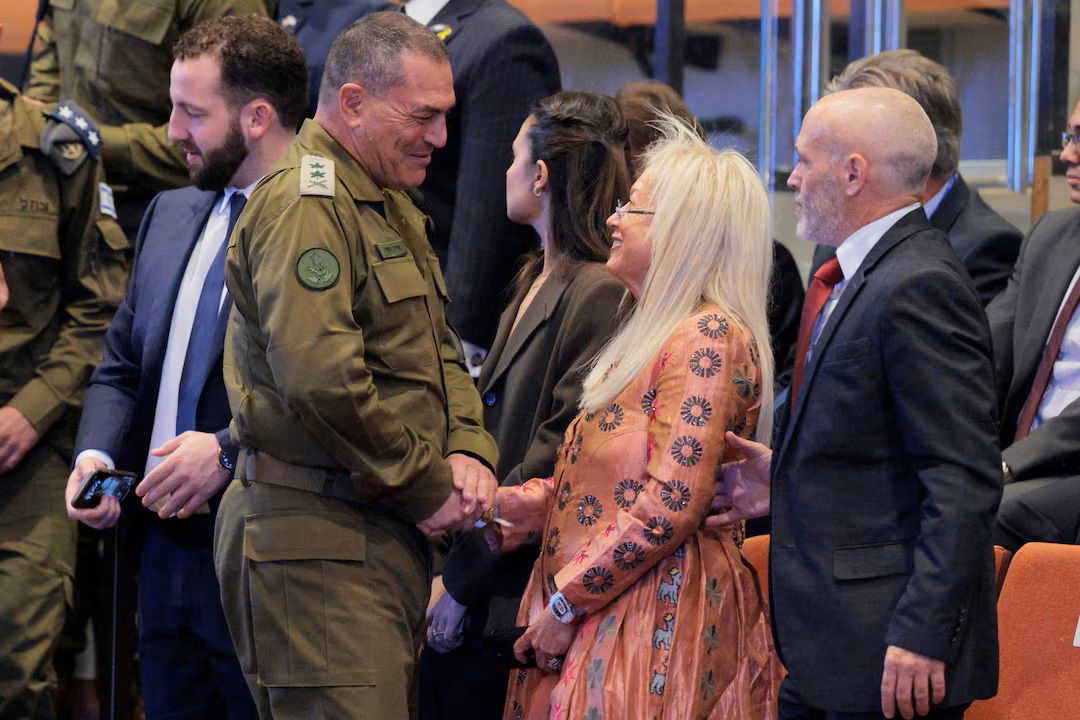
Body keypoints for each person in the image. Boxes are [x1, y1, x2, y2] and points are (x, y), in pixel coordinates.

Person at [213, 12, 499, 719]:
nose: (440, 137)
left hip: (369, 534)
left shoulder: (387, 202)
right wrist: (428, 483)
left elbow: (439, 347)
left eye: (445, 117)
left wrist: (468, 448)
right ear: (352, 104)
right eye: (423, 116)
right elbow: (322, 382)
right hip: (315, 541)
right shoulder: (307, 204)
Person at [710, 87, 1001, 720]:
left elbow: (961, 477)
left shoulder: (919, 282)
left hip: (888, 650)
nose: (792, 179)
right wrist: (783, 474)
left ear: (852, 173)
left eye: (803, 161)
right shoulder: (863, 273)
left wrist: (924, 632)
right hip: (836, 647)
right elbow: (867, 442)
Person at [487, 118, 781, 720]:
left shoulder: (707, 335)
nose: (613, 219)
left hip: (655, 617)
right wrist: (538, 502)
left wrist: (567, 603)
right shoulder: (655, 331)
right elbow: (621, 481)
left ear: (681, 233)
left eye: (633, 208)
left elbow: (670, 504)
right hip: (613, 606)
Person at [63, 15, 306, 718]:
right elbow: (119, 366)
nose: (171, 130)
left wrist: (228, 453)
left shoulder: (318, 223)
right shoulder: (172, 211)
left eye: (192, 113)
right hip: (156, 545)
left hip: (259, 549)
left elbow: (325, 393)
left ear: (256, 117)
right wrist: (95, 454)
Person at [419, 91, 632, 720]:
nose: (505, 170)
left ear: (540, 175)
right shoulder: (536, 276)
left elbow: (555, 453)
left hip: (511, 592)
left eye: (514, 156)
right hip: (486, 575)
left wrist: (462, 579)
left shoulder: (597, 292)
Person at [0, 78, 129, 718]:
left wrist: (33, 407)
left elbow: (101, 305)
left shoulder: (58, 151)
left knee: (20, 663)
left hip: (30, 438)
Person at [615, 79, 806, 390]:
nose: (625, 184)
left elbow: (786, 377)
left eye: (632, 165)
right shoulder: (621, 257)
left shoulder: (764, 265)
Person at [25, 0, 277, 235]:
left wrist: (91, 143)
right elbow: (48, 70)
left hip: (165, 212)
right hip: (65, 198)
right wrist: (38, 127)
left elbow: (233, 136)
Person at [402, 0, 562, 370]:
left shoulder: (503, 41)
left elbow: (488, 218)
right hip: (387, 311)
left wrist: (454, 352)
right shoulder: (384, 24)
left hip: (440, 334)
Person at [809, 50, 1022, 308]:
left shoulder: (988, 248)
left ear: (910, 147)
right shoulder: (836, 238)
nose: (840, 164)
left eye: (847, 144)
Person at [988, 99, 1080, 551]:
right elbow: (987, 348)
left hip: (1068, 469)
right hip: (1014, 457)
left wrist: (1009, 464)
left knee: (987, 514)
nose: (1066, 155)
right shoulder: (1050, 235)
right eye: (1069, 137)